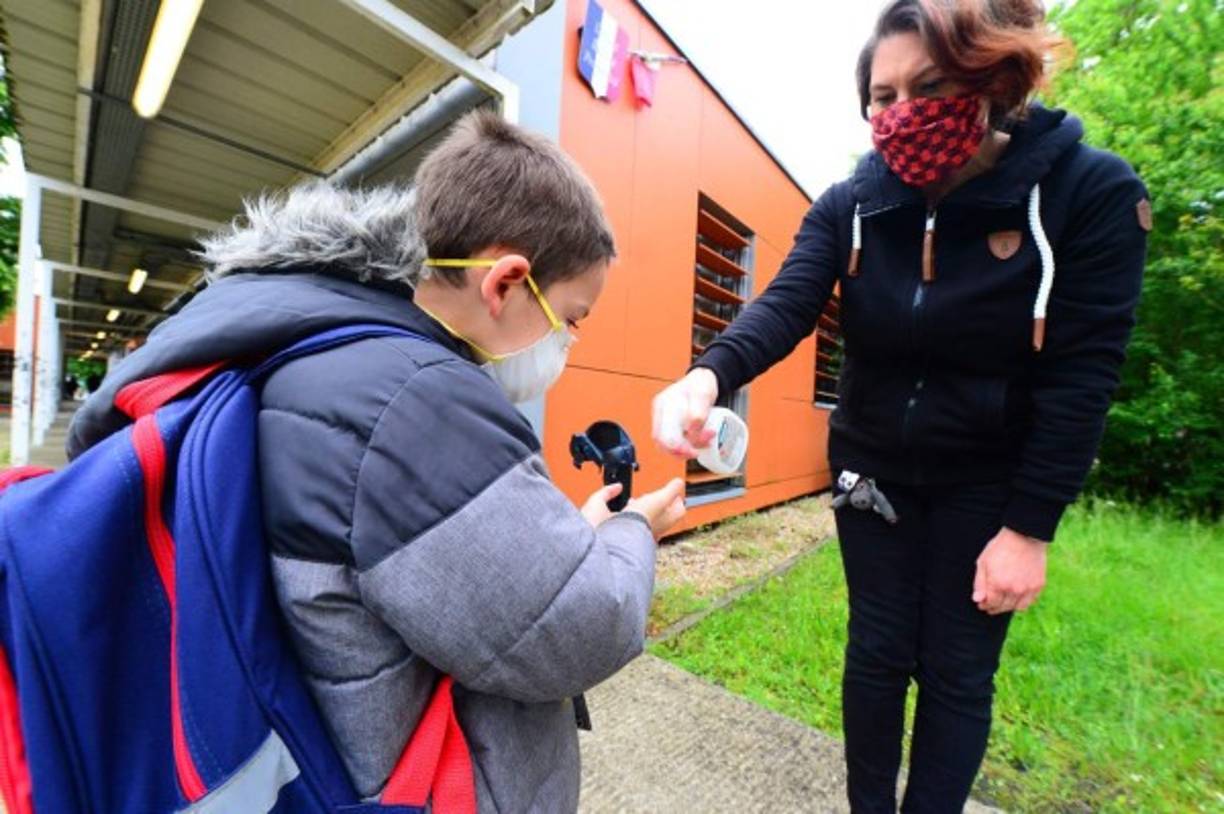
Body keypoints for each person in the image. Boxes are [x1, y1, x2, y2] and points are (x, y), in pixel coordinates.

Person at [67, 111, 686, 811]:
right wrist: (630, 530)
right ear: (507, 282)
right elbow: (573, 628)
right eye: (571, 317)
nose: (567, 343)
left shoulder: (302, 336)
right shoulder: (412, 402)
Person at [653, 1, 1148, 811]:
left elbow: (1082, 375)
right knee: (878, 652)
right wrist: (706, 376)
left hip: (989, 479)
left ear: (993, 78)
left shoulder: (1088, 193)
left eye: (929, 85)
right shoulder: (855, 202)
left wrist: (1029, 530)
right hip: (872, 464)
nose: (902, 112)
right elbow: (785, 302)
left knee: (957, 669)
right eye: (882, 96)